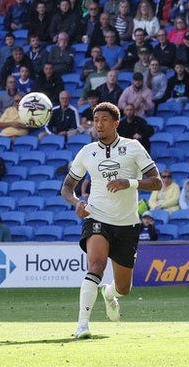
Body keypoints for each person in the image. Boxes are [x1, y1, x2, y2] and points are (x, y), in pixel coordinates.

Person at [61, 102, 162, 339]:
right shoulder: (86, 152)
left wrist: (130, 182)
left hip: (127, 223)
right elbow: (67, 186)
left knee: (124, 288)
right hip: (97, 216)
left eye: (104, 119)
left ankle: (109, 293)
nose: (99, 124)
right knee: (95, 267)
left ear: (116, 122)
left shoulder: (133, 147)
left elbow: (156, 181)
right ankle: (82, 325)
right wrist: (77, 203)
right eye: (96, 120)